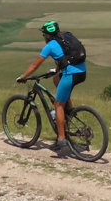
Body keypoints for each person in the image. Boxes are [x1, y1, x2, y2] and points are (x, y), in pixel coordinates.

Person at [17, 19, 86, 158]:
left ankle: (61, 139)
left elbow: (35, 65)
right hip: (82, 72)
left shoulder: (49, 46)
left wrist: (23, 77)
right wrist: (56, 70)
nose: (43, 37)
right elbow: (66, 57)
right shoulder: (66, 36)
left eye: (43, 35)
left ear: (47, 35)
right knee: (56, 79)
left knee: (58, 104)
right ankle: (70, 111)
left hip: (71, 75)